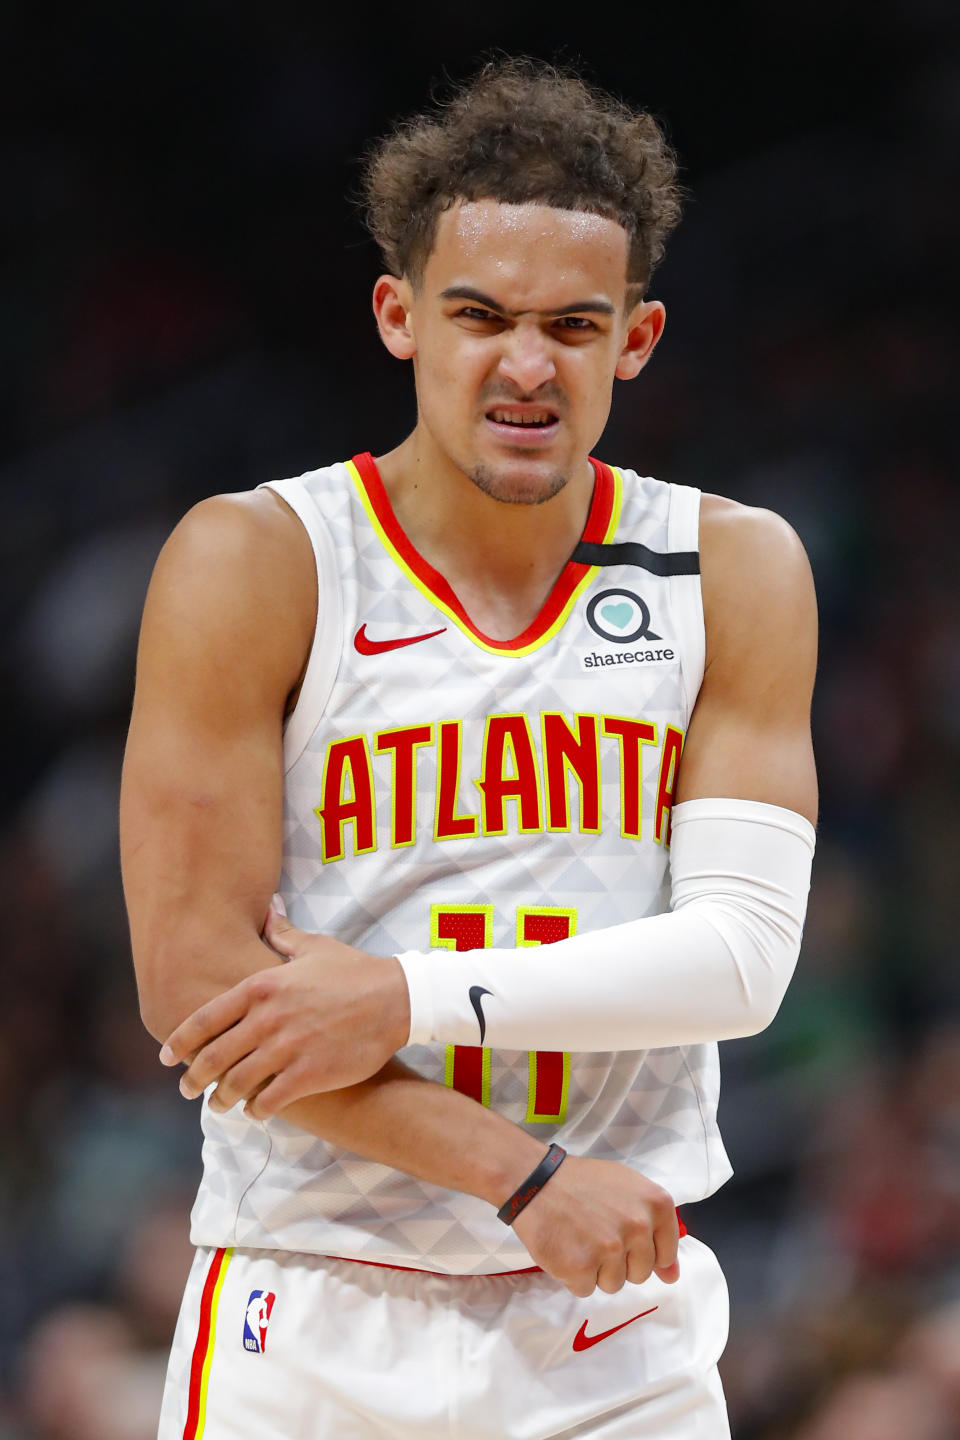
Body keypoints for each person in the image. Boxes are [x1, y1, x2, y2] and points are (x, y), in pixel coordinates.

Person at [120, 58, 818, 1440]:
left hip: (610, 1324)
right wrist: (526, 1179)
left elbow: (742, 960)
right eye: (480, 315)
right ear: (399, 316)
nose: (524, 364)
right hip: (311, 1297)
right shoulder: (259, 559)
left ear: (638, 337)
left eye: (572, 324)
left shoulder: (727, 567)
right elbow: (199, 987)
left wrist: (402, 998)